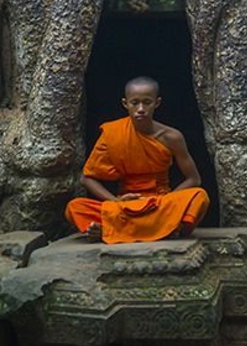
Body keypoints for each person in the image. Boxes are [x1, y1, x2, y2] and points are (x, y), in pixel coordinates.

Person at [65, 76, 210, 242]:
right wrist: (116, 200)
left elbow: (194, 179)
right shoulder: (113, 134)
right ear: (125, 104)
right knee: (75, 207)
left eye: (147, 102)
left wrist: (165, 199)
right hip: (125, 205)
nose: (141, 108)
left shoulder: (172, 137)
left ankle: (110, 230)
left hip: (160, 204)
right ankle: (166, 229)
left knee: (199, 196)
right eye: (135, 103)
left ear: (157, 103)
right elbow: (87, 179)